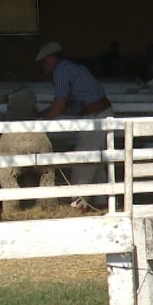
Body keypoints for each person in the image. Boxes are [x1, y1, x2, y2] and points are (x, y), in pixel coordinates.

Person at [36, 42, 113, 211]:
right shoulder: (73, 68)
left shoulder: (61, 71)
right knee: (96, 158)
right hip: (101, 111)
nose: (43, 65)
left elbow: (60, 103)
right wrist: (43, 113)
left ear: (52, 58)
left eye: (44, 61)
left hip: (94, 116)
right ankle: (100, 200)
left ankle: (79, 202)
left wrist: (41, 127)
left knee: (83, 159)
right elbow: (61, 104)